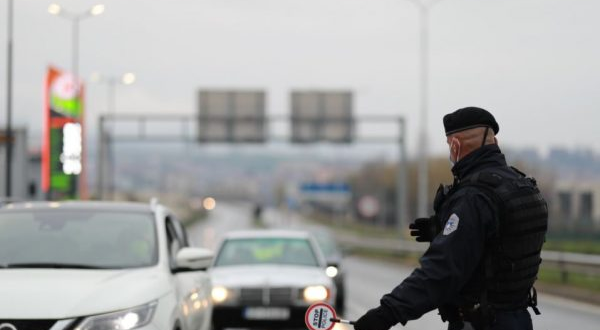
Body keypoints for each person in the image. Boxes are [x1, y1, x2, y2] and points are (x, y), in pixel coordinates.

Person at [353, 107, 548, 330]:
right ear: (494, 140)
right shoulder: (523, 186)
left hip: (480, 322)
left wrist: (384, 315)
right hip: (519, 319)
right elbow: (500, 243)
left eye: (448, 146)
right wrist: (442, 229)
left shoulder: (474, 196)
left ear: (455, 145)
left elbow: (441, 271)